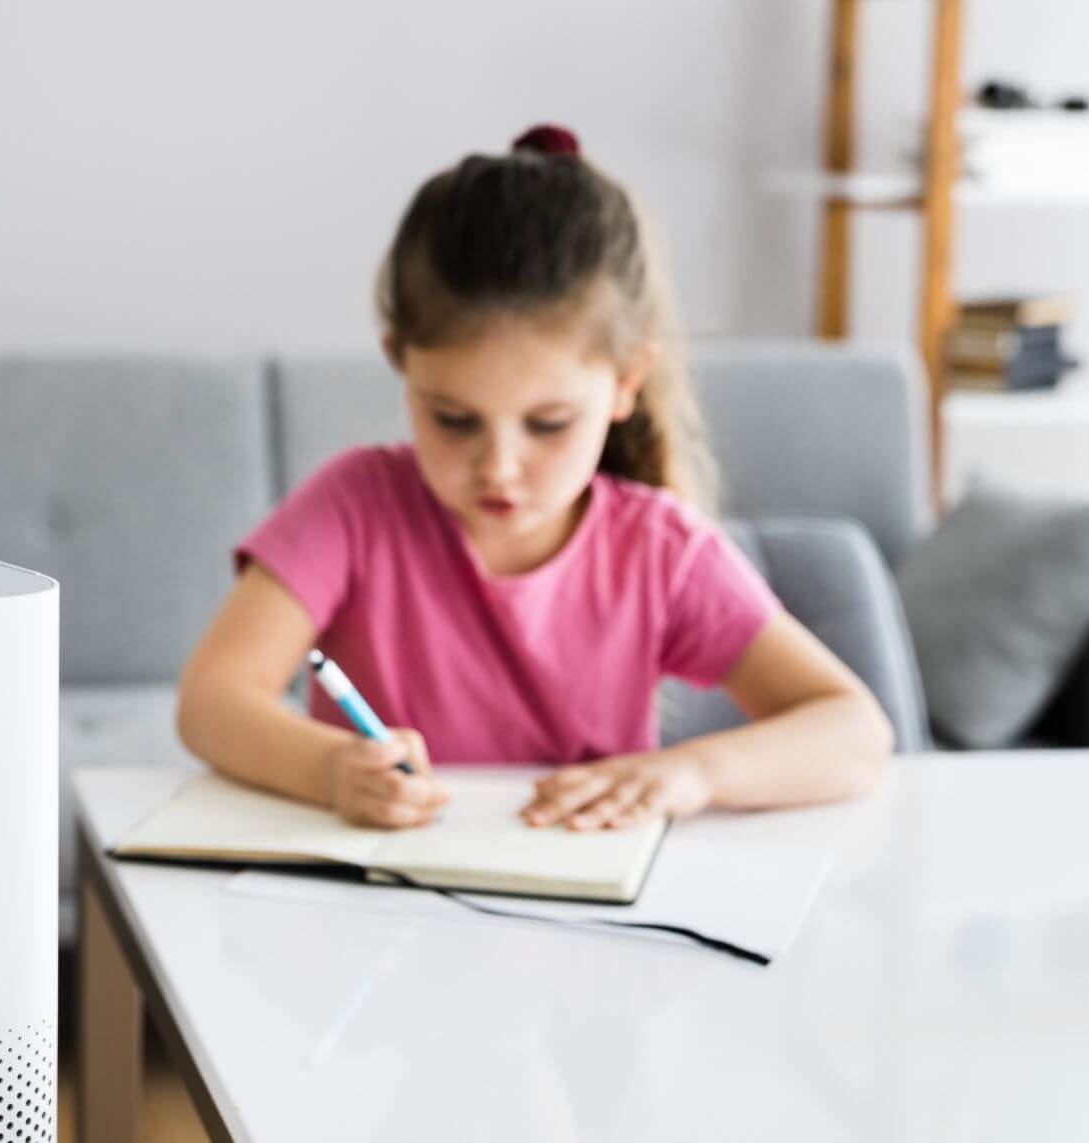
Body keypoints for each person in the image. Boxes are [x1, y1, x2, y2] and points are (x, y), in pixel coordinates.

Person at [175, 125, 892, 833]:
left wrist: (691, 772)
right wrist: (331, 770)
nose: (498, 466)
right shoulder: (354, 506)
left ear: (625, 383)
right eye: (454, 418)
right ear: (401, 361)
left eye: (548, 424)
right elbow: (211, 700)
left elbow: (855, 731)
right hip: (376, 912)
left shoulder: (659, 549)